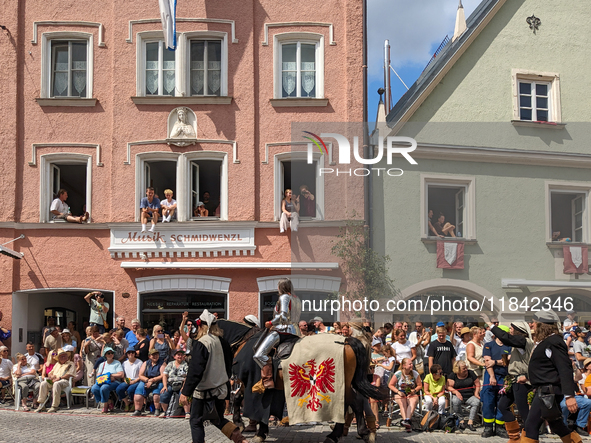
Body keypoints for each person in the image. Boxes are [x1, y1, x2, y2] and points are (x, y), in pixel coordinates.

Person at [180, 310, 248, 443]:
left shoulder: (201, 342)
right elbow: (229, 367)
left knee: (196, 421)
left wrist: (185, 392)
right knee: (217, 419)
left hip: (204, 391)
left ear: (201, 326)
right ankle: (241, 440)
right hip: (221, 389)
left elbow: (196, 370)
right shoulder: (223, 342)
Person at [522, 310, 580, 443]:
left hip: (549, 391)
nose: (532, 325)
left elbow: (564, 369)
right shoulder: (547, 342)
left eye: (534, 323)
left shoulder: (554, 341)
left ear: (542, 325)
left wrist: (569, 396)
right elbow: (546, 368)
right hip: (545, 390)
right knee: (556, 424)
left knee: (531, 425)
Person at [253, 278, 301, 390]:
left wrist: (270, 323)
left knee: (259, 355)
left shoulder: (284, 297)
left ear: (281, 287)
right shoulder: (296, 299)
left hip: (282, 330)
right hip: (295, 331)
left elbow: (282, 316)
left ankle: (267, 380)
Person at [481, 325, 511, 438]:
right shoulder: (488, 345)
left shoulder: (509, 347)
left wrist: (495, 361)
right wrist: (492, 376)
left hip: (504, 377)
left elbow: (507, 361)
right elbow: (488, 362)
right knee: (488, 403)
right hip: (490, 376)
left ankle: (499, 427)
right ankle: (488, 427)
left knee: (501, 403)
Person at [35, 348, 75, 413]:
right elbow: (50, 373)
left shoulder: (70, 364)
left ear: (67, 357)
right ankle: (41, 404)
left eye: (64, 356)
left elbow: (70, 375)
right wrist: (51, 376)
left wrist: (59, 378)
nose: (63, 357)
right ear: (58, 358)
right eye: (61, 356)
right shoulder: (57, 364)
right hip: (54, 380)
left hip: (64, 381)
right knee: (43, 383)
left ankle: (54, 406)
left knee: (57, 384)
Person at [389, 357, 422, 431]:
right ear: (404, 366)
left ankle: (407, 420)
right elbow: (390, 385)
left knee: (412, 401)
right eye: (410, 364)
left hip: (411, 393)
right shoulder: (398, 373)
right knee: (402, 401)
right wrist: (398, 392)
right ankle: (406, 421)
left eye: (412, 364)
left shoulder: (415, 373)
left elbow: (420, 385)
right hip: (400, 392)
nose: (411, 365)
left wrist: (414, 390)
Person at [560, 360, 591, 437]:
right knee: (564, 405)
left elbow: (578, 378)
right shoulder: (557, 370)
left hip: (573, 395)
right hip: (560, 395)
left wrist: (574, 367)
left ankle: (579, 425)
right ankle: (562, 426)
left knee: (588, 402)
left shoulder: (569, 371)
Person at [448, 360, 481, 431]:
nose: (466, 369)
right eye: (463, 368)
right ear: (458, 369)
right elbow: (448, 386)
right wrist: (456, 392)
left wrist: (476, 393)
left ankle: (470, 422)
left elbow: (477, 383)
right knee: (455, 401)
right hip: (458, 396)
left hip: (469, 395)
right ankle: (461, 420)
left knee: (476, 402)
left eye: (466, 367)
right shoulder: (453, 375)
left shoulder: (471, 373)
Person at [91, 347, 124, 413]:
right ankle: (108, 401)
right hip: (103, 381)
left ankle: (105, 406)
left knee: (104, 388)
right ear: (105, 355)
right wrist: (106, 377)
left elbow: (121, 375)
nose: (110, 354)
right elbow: (98, 375)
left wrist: (111, 375)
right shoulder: (102, 364)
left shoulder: (117, 363)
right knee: (94, 388)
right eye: (108, 353)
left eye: (112, 353)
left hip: (114, 381)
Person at [133, 348, 165, 416]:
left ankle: (157, 410)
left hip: (158, 381)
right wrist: (147, 380)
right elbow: (140, 375)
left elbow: (163, 375)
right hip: (146, 380)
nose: (155, 356)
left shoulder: (162, 363)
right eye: (153, 355)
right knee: (138, 395)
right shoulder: (146, 363)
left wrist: (153, 380)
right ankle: (137, 410)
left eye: (156, 354)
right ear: (149, 356)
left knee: (156, 395)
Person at [160, 349, 191, 418]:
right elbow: (165, 375)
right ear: (174, 356)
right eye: (178, 355)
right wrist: (164, 386)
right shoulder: (170, 364)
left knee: (184, 394)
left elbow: (187, 377)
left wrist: (184, 387)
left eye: (181, 355)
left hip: (182, 384)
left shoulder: (185, 364)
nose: (180, 356)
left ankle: (187, 413)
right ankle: (164, 412)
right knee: (164, 393)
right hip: (171, 383)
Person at [116, 348, 143, 412]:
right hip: (128, 380)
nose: (131, 354)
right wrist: (125, 379)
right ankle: (126, 402)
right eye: (129, 353)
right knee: (119, 389)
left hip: (137, 380)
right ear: (127, 354)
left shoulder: (139, 362)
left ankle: (134, 403)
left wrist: (134, 381)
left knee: (130, 390)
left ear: (135, 354)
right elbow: (123, 374)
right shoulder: (124, 363)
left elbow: (141, 374)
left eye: (132, 352)